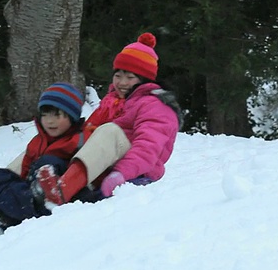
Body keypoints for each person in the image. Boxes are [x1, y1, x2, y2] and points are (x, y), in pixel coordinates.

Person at [35, 32, 184, 205]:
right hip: (104, 166)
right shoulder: (111, 101)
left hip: (135, 173)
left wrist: (120, 173)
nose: (122, 82)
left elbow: (148, 147)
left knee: (110, 130)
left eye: (130, 77)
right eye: (118, 76)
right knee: (52, 147)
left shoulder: (156, 105)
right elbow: (88, 131)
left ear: (144, 80)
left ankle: (63, 190)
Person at [0, 82, 92, 230]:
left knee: (48, 162)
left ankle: (5, 206)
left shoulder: (80, 139)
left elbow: (85, 168)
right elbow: (25, 170)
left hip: (59, 195)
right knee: (0, 175)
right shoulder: (37, 142)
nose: (50, 121)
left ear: (72, 117)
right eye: (45, 115)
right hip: (32, 190)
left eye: (57, 115)